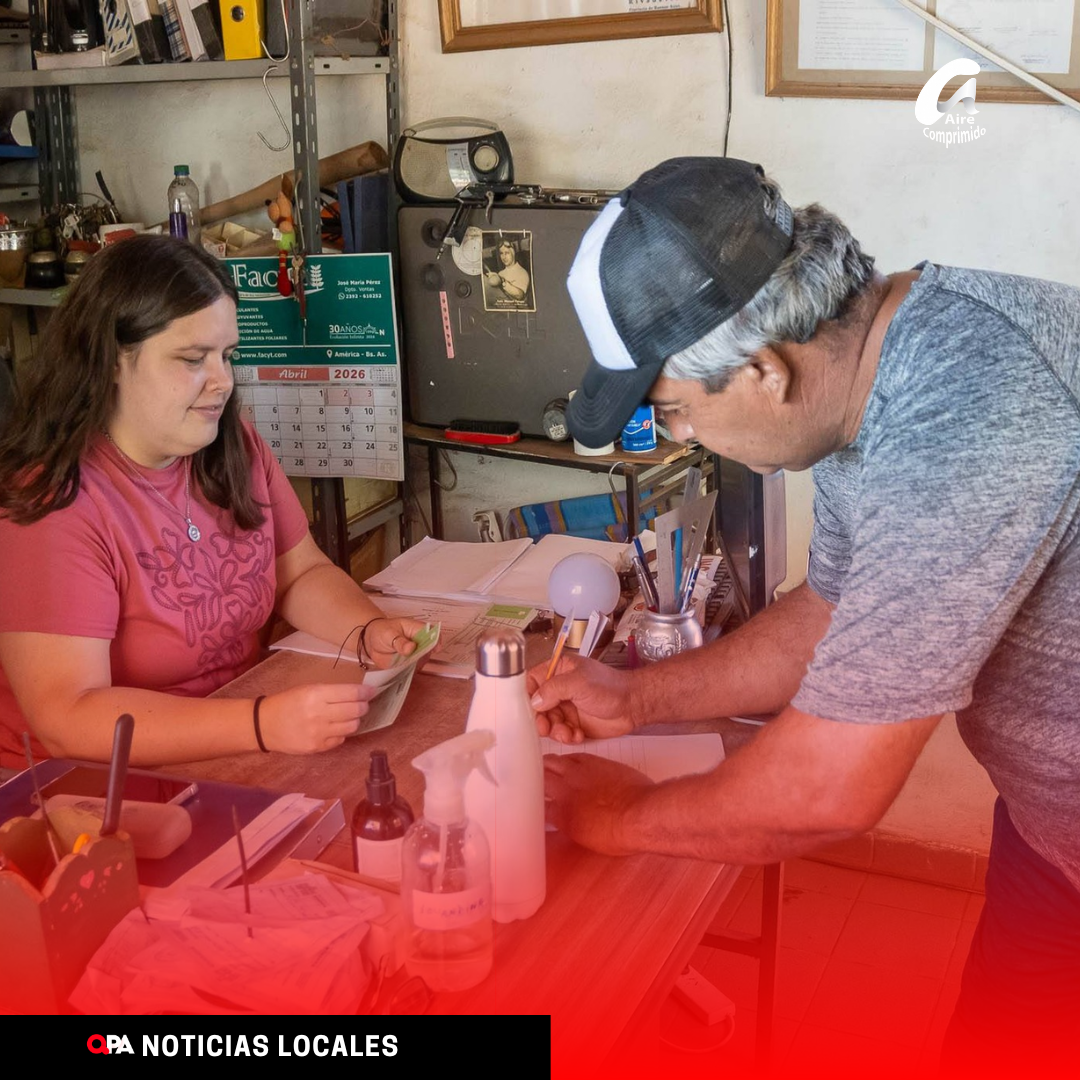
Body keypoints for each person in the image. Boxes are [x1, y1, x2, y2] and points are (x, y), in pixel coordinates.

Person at [528, 157, 1080, 1071]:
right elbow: (828, 609)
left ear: (762, 371)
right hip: (1051, 834)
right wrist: (637, 702)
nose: (682, 438)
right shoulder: (870, 376)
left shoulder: (970, 410)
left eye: (673, 414)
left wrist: (617, 818)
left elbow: (829, 791)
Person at [0, 235, 423, 770]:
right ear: (109, 359)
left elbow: (299, 573)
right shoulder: (52, 504)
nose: (222, 381)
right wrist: (262, 724)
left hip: (232, 734)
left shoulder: (234, 446)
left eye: (227, 355)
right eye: (192, 358)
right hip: (86, 781)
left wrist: (367, 631)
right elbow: (68, 718)